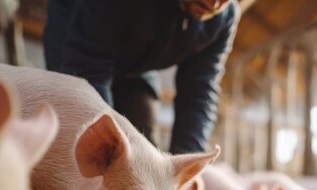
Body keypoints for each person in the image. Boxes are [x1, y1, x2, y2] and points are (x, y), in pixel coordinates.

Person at [43, 0, 239, 154]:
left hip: (138, 64)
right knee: (86, 140)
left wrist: (186, 171)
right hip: (76, 43)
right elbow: (89, 67)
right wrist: (113, 150)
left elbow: (199, 91)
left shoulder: (224, 18)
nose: (212, 5)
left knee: (144, 140)